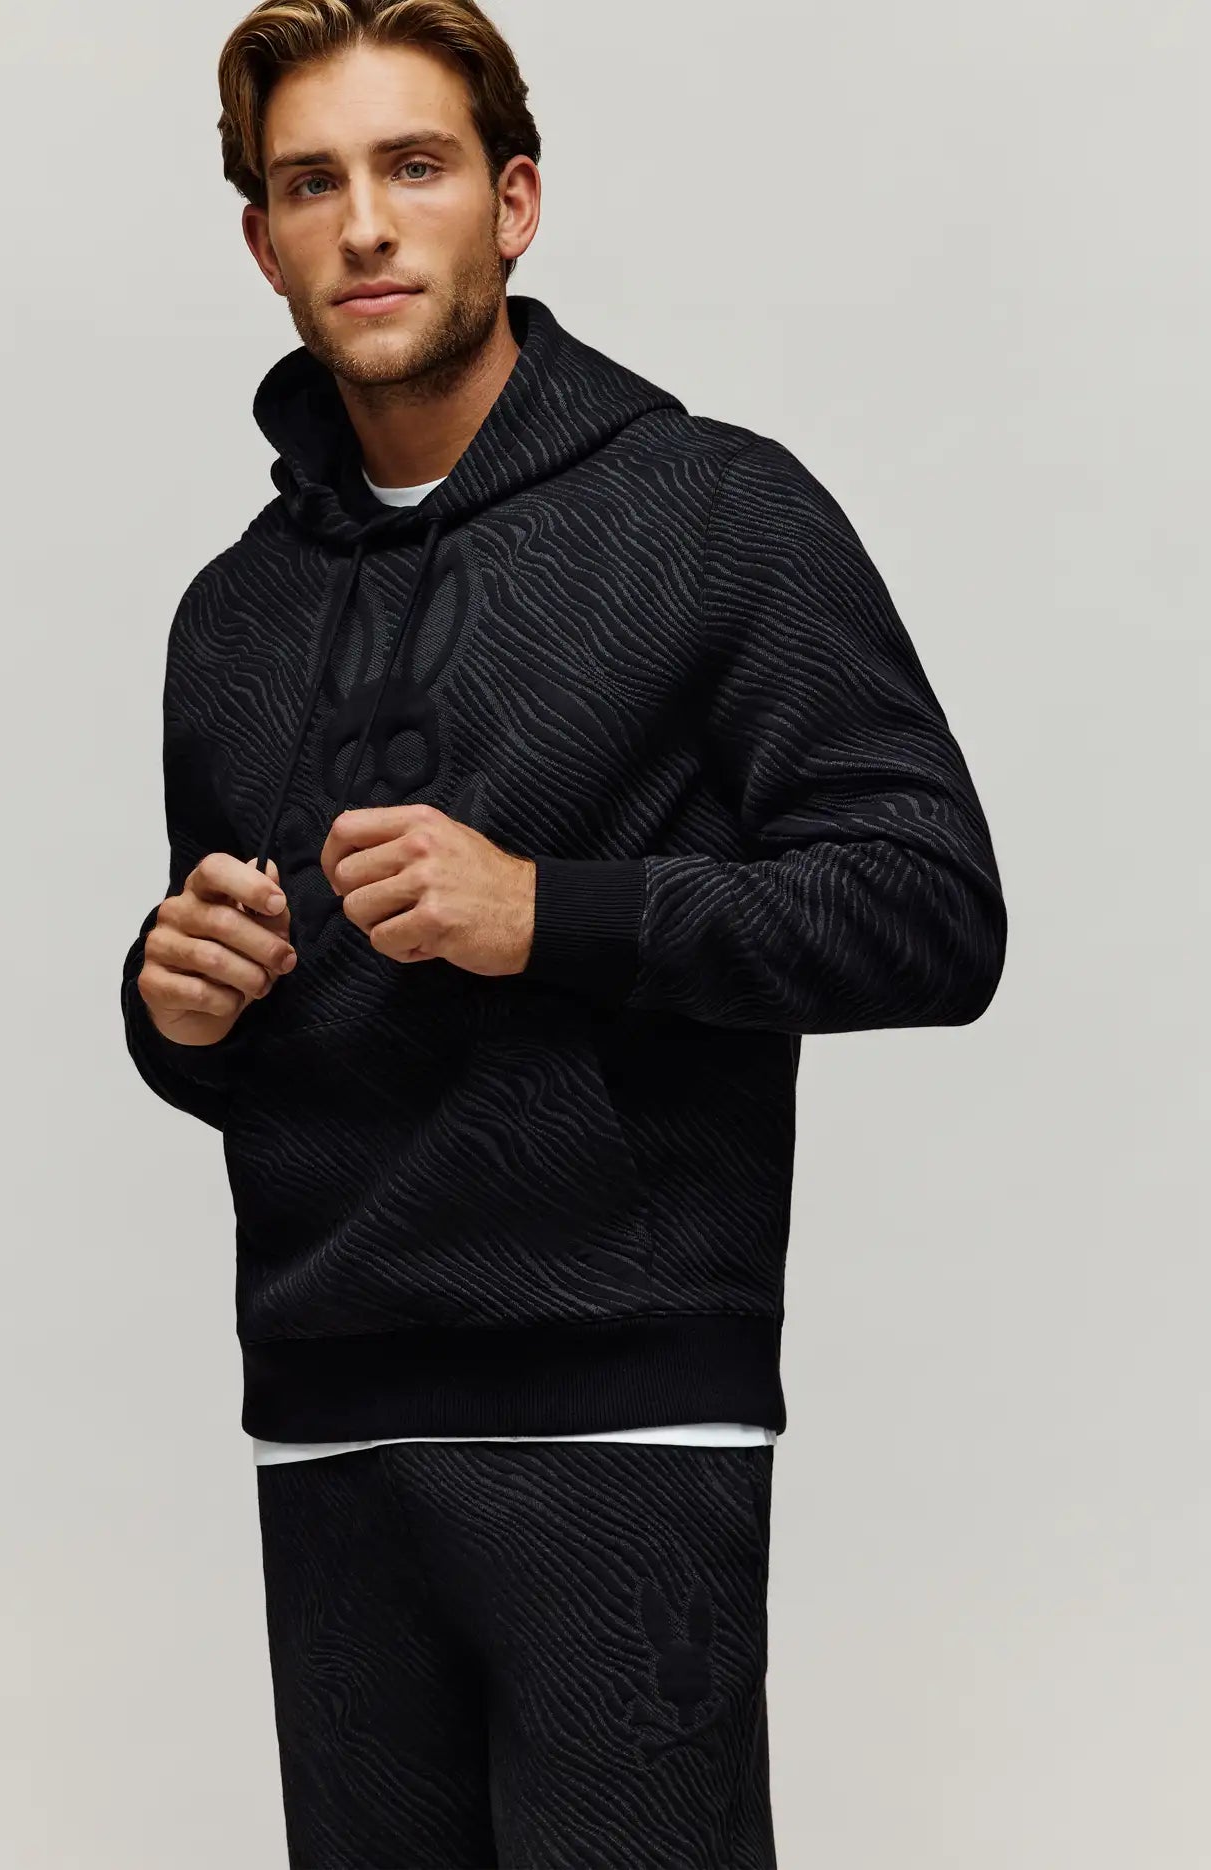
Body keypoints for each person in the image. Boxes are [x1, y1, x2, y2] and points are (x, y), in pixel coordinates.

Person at [120, 3, 1007, 1863]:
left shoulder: (717, 513)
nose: (366, 222)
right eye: (312, 183)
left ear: (513, 203)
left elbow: (932, 910)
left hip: (626, 1417)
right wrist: (175, 1010)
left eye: (414, 166)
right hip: (327, 1420)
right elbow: (285, 1037)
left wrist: (551, 911)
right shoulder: (233, 616)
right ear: (263, 241)